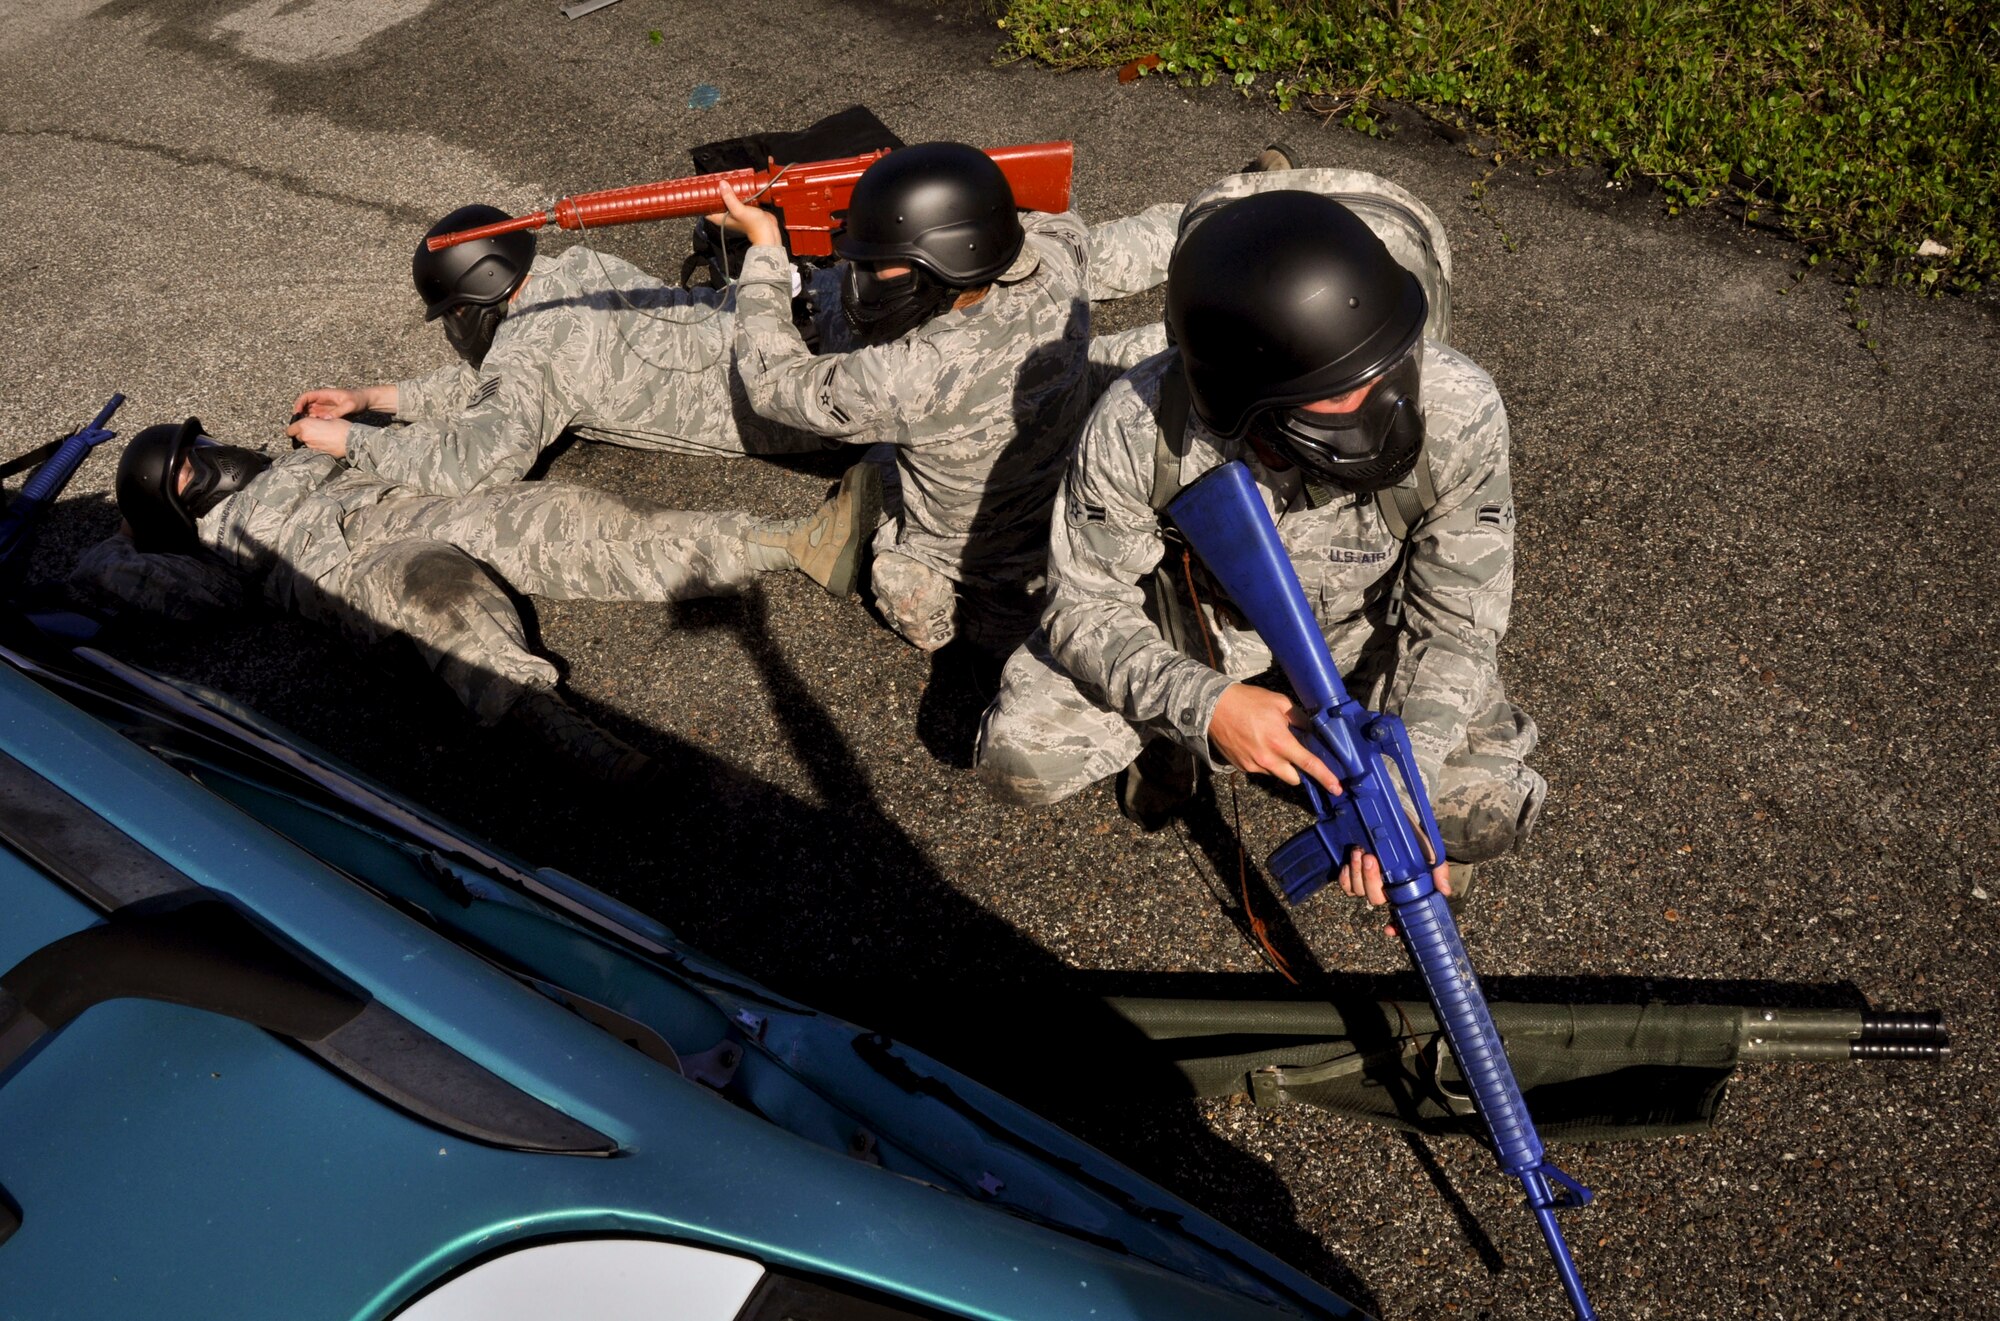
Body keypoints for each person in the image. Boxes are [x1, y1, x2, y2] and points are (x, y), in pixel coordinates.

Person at [973, 189, 1545, 904]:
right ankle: (1182, 746)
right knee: (1021, 755)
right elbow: (1084, 606)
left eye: (1387, 363)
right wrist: (1204, 707)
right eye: (1335, 395)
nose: (1380, 401)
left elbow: (1455, 628)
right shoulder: (1141, 425)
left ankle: (1328, 771)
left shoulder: (1460, 410)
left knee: (1481, 814)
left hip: (1362, 643)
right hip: (1201, 631)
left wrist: (1401, 791)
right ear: (1249, 400)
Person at [71, 417, 876, 784]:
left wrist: (355, 423)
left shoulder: (293, 462)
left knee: (580, 521)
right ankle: (562, 733)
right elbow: (156, 591)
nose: (207, 456)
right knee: (441, 599)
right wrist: (128, 541)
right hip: (355, 560)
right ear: (173, 508)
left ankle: (786, 542)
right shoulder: (214, 550)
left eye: (197, 444)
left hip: (416, 503)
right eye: (187, 464)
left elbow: (423, 440)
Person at [713, 141, 1187, 662]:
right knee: (1122, 363)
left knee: (895, 576)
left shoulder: (902, 375)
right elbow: (1050, 221)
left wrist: (764, 249)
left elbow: (771, 381)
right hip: (1067, 479)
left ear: (941, 265)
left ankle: (977, 631)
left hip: (982, 560)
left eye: (884, 265)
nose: (865, 278)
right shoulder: (1057, 261)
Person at [283, 203, 834, 496]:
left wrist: (350, 441)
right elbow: (499, 378)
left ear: (473, 298)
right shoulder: (571, 268)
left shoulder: (531, 352)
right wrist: (372, 398)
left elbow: (471, 464)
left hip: (795, 400)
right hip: (782, 309)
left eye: (453, 312)